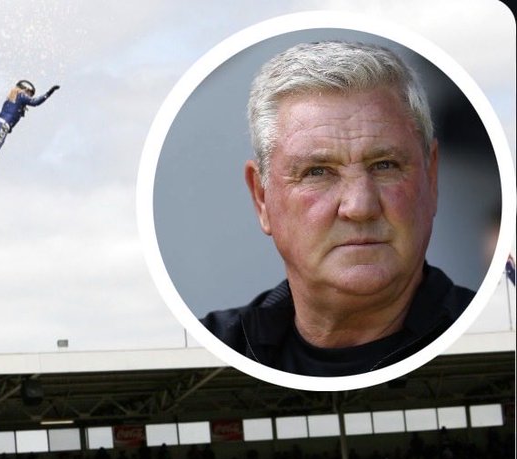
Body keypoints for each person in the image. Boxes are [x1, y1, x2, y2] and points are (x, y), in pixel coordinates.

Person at [200, 41, 475, 376]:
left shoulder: (495, 331)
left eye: (385, 165)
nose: (360, 207)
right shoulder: (205, 348)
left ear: (431, 179)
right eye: (318, 172)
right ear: (261, 197)